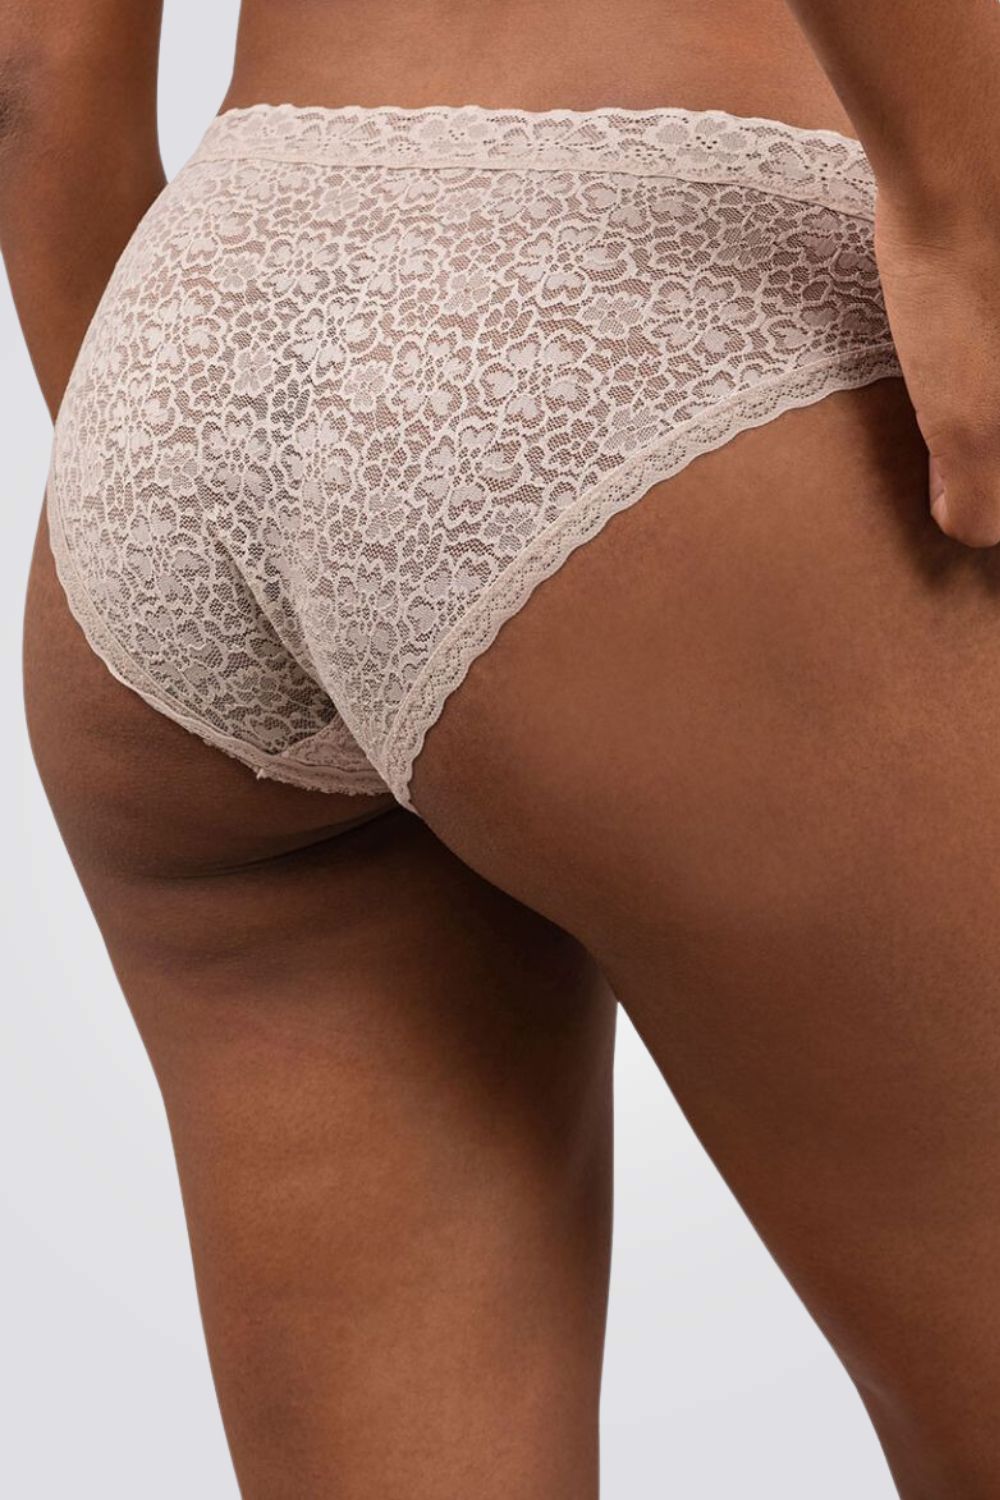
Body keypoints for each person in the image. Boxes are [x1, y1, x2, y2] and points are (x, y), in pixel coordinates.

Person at [5, 0, 1000, 1493]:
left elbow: (29, 64)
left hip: (202, 318)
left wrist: (196, 493)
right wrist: (963, 199)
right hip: (672, 278)